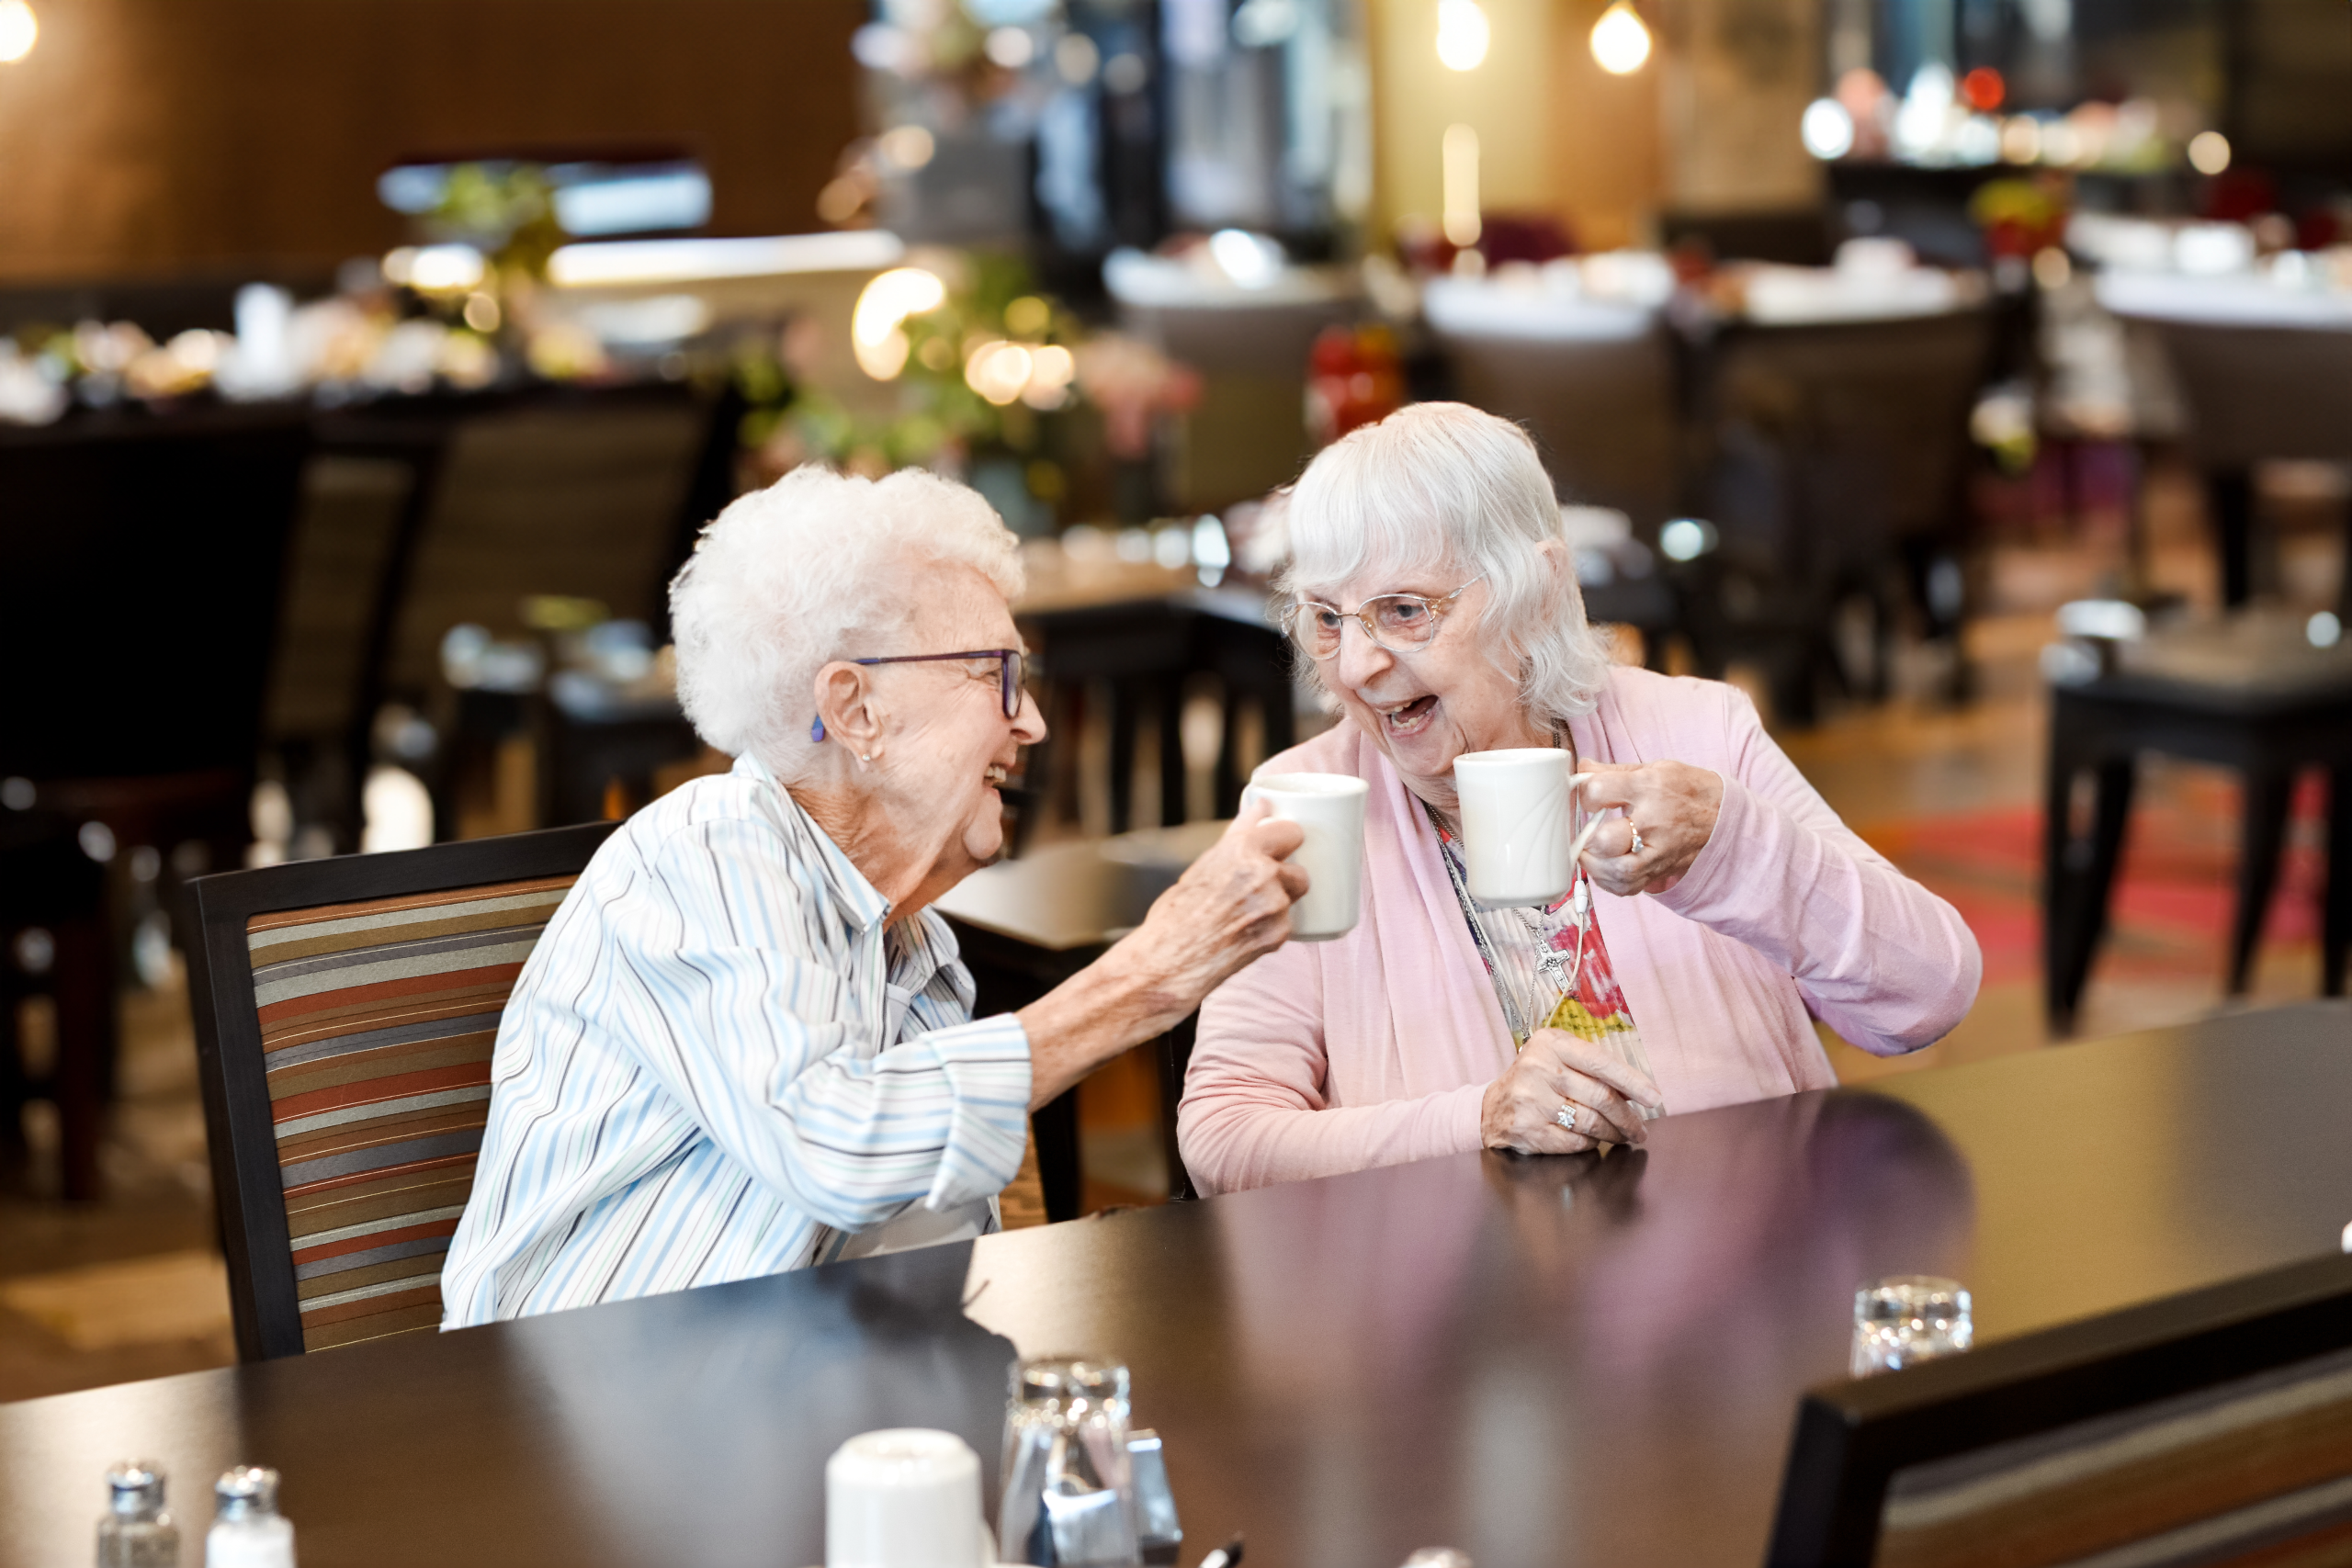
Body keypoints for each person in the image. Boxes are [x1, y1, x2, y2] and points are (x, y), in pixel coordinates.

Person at [442, 466, 1305, 1325]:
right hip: (575, 1417)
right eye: (998, 674)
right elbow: (838, 1143)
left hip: (784, 1406)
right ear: (855, 709)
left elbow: (923, 1272)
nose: (1032, 721)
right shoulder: (708, 850)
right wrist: (1153, 970)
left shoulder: (911, 949)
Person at [1177, 403, 1981, 1196]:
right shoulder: (1310, 806)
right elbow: (1224, 1134)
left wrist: (1731, 848)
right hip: (1460, 1310)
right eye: (1327, 617)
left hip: (1757, 1271)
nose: (1354, 666)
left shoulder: (1696, 731)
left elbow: (1927, 996)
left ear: (1539, 588)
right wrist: (1478, 1119)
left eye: (1404, 611)